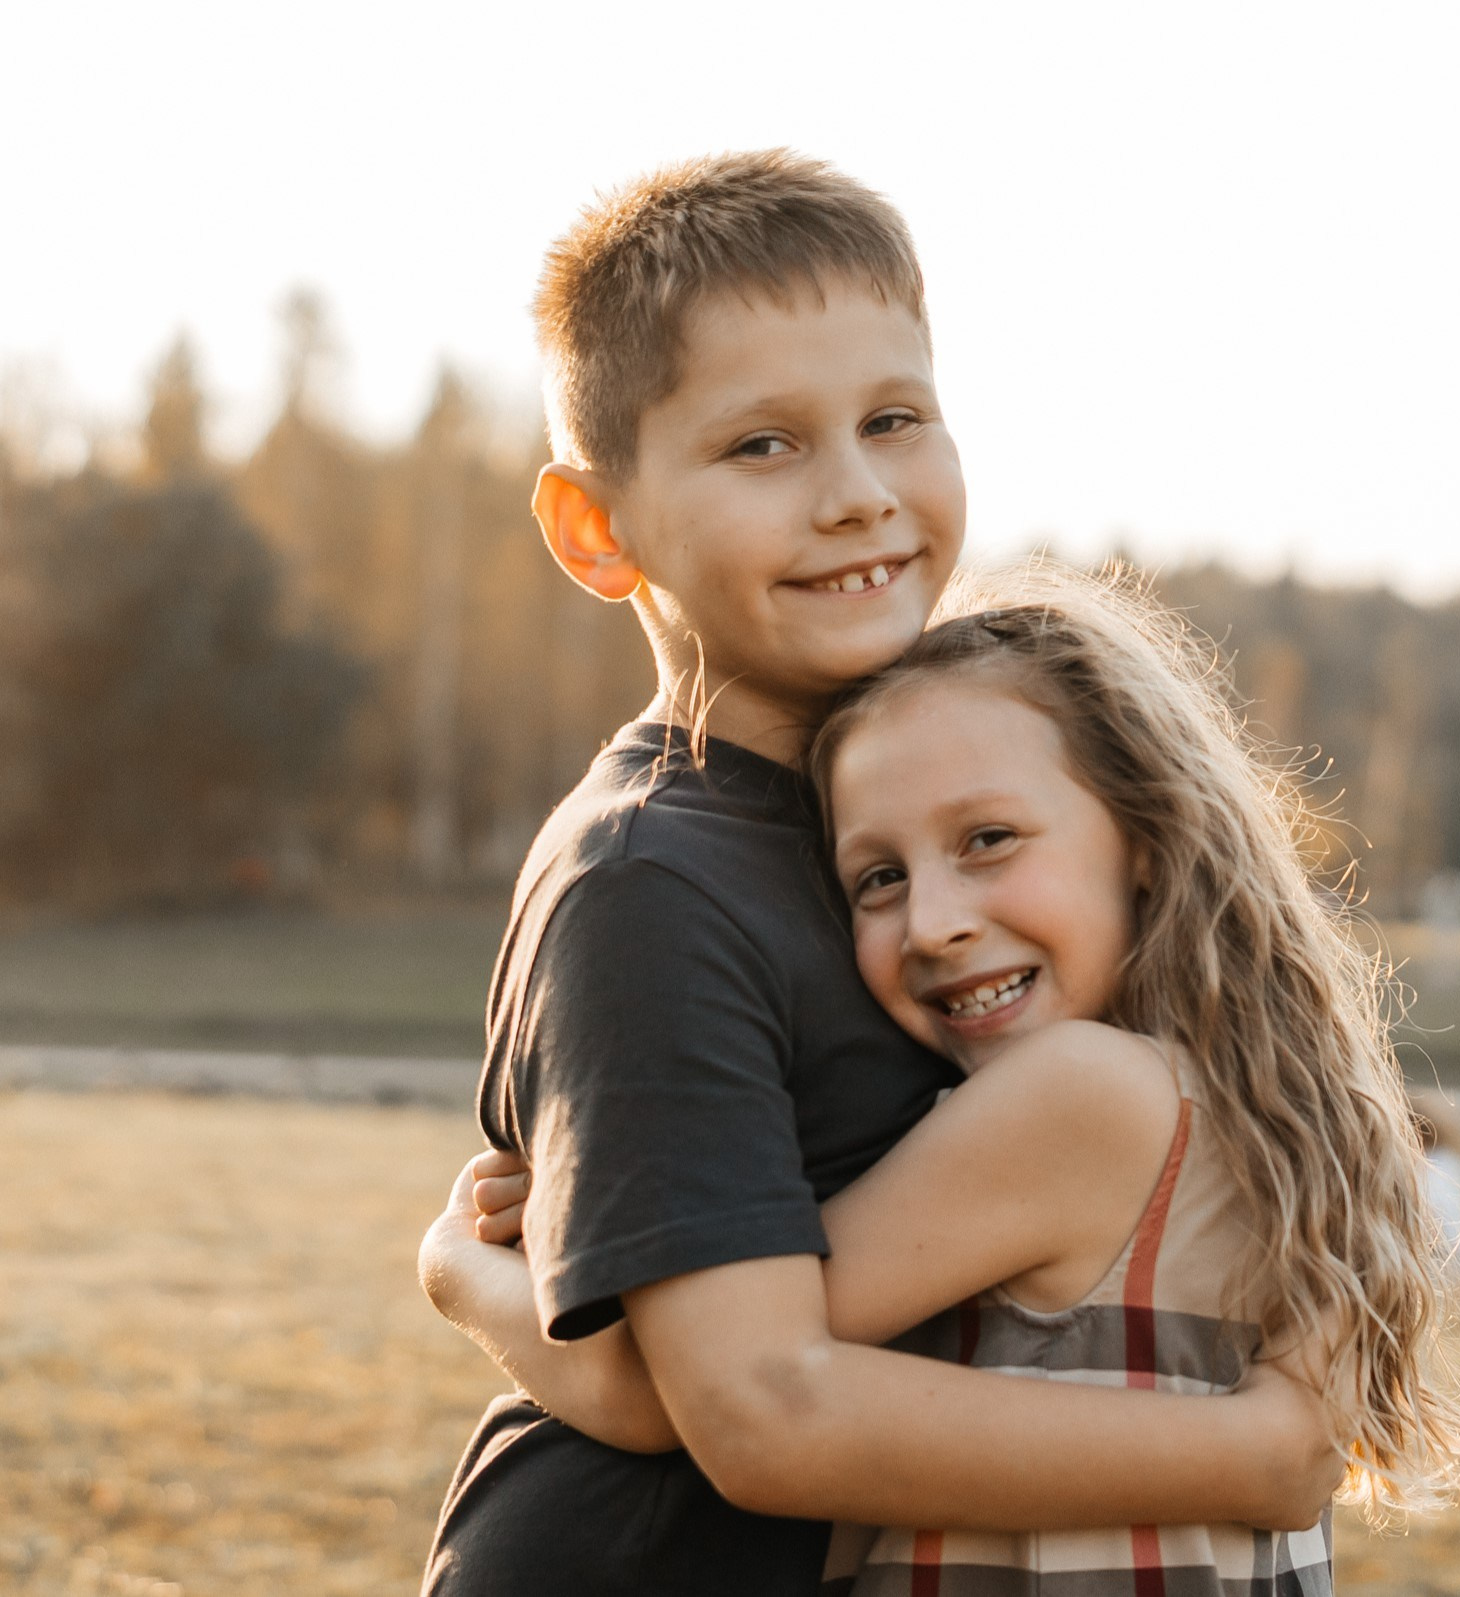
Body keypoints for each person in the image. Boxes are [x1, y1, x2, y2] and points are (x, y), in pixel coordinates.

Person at [415, 150, 1340, 1596]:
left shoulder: (954, 801)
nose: (854, 496)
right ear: (599, 530)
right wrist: (1258, 1456)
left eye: (893, 419)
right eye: (760, 447)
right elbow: (749, 1404)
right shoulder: (648, 879)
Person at [424, 572, 1460, 1593]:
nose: (937, 919)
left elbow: (681, 1391)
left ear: (1145, 837)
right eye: (879, 877)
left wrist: (463, 1268)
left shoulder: (1077, 1099)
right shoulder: (1262, 1112)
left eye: (989, 839)